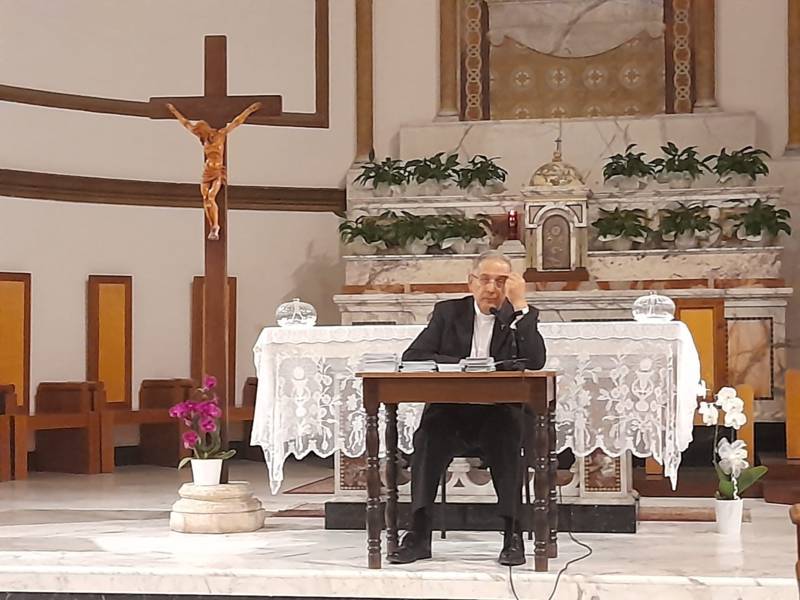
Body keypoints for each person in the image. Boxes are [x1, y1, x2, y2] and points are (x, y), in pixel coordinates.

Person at [388, 250, 547, 567]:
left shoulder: (516, 316)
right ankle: (418, 535)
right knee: (427, 439)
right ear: (471, 282)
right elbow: (414, 356)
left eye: (500, 282)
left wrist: (520, 307)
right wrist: (463, 365)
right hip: (451, 412)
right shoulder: (448, 313)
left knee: (508, 439)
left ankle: (512, 536)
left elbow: (535, 361)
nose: (491, 288)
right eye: (485, 280)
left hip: (499, 412)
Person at [166, 102, 262, 240]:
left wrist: (249, 110)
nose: (199, 133)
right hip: (207, 171)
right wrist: (173, 111)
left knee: (211, 197)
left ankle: (215, 226)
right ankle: (212, 226)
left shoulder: (220, 134)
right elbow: (186, 124)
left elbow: (236, 122)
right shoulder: (204, 138)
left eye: (200, 131)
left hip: (217, 172)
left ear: (205, 128)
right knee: (205, 198)